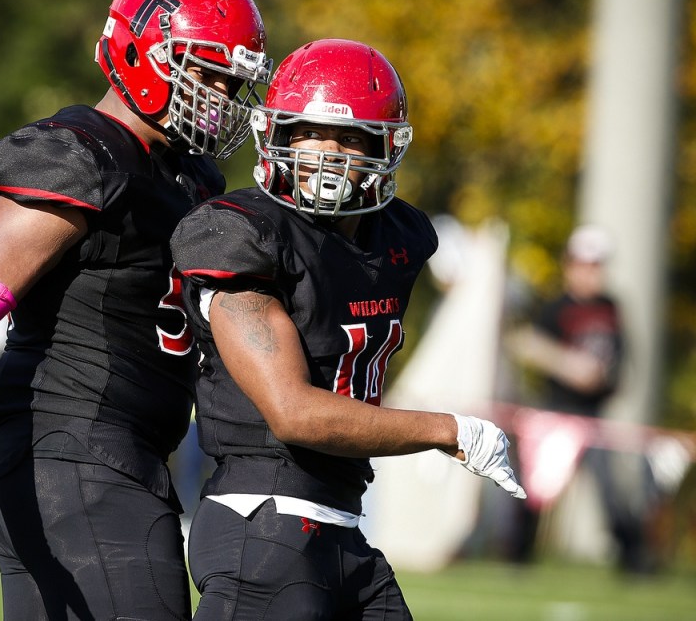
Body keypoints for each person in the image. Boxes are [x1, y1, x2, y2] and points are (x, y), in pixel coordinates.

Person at [0, 0, 271, 619]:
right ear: (139, 53)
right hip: (72, 450)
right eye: (206, 70)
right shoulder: (82, 153)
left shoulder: (189, 175)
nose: (221, 93)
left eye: (231, 78)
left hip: (108, 457)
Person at [169, 39, 525, 619]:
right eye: (308, 132)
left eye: (352, 137)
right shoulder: (244, 233)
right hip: (261, 523)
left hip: (341, 527)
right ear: (277, 136)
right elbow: (293, 411)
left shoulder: (398, 238)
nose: (327, 154)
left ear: (388, 147)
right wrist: (450, 431)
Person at [507, 224, 652, 572]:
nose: (591, 272)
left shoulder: (611, 306)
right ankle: (517, 557)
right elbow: (525, 343)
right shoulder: (556, 307)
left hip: (594, 413)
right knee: (538, 487)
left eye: (596, 265)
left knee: (612, 489)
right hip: (558, 410)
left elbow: (621, 357)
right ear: (571, 266)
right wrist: (568, 365)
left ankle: (633, 561)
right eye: (585, 264)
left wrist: (610, 378)